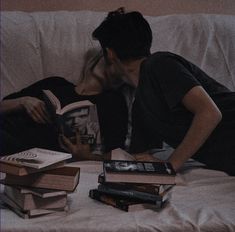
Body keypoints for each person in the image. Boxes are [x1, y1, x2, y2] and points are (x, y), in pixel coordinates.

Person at [92, 8, 235, 175]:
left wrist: (169, 166)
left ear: (110, 53)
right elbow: (136, 157)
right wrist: (88, 156)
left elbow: (210, 113)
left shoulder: (158, 64)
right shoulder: (140, 106)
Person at [0, 49, 128, 160]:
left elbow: (117, 154)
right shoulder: (55, 83)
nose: (106, 67)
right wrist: (23, 102)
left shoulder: (113, 102)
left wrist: (88, 156)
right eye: (104, 60)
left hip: (29, 151)